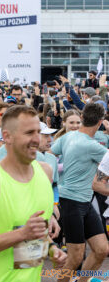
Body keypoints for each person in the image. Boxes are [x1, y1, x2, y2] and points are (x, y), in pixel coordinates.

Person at [0, 105, 66, 282]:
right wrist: (22, 234)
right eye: (28, 133)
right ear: (7, 137)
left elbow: (33, 231)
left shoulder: (45, 172)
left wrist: (51, 248)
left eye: (38, 132)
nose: (36, 139)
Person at [51, 103, 109, 282]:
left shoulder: (69, 137)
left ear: (82, 118)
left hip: (84, 201)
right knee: (76, 256)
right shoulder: (94, 147)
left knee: (101, 250)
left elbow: (51, 154)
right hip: (71, 202)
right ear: (100, 122)